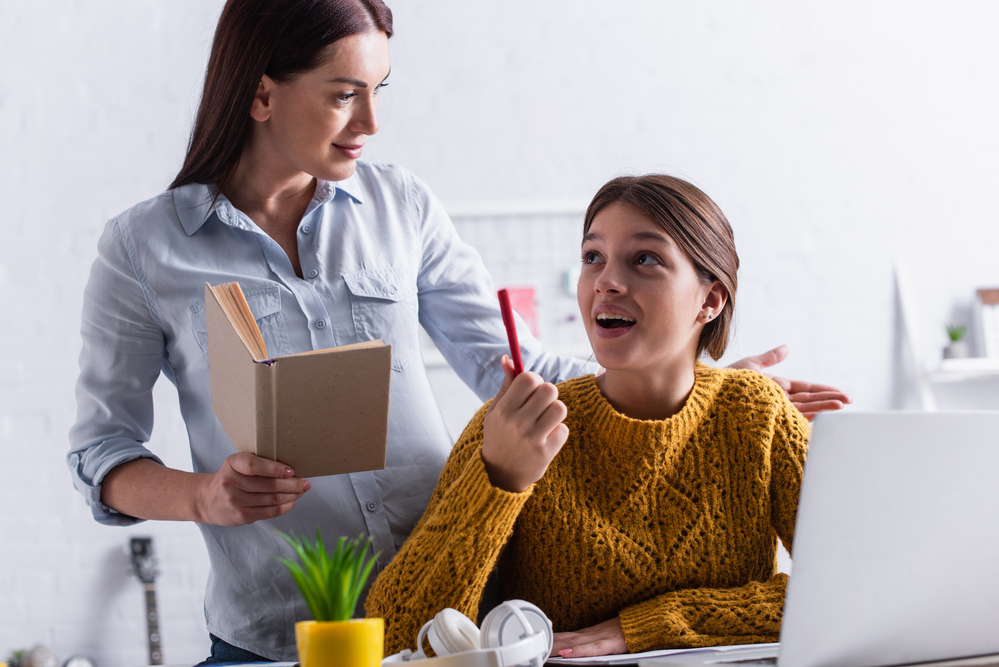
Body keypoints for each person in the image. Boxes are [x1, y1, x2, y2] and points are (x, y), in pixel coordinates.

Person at [67, 0, 847, 662]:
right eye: (344, 94)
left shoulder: (400, 207)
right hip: (274, 628)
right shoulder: (144, 249)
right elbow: (102, 455)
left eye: (378, 90)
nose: (371, 122)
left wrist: (689, 388)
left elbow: (511, 367)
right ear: (262, 93)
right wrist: (205, 494)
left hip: (441, 617)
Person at [366, 175, 809, 658]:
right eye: (592, 257)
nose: (606, 282)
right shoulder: (515, 427)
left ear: (710, 300)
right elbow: (395, 637)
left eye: (645, 259)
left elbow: (859, 587)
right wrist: (496, 480)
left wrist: (649, 626)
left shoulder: (757, 414)